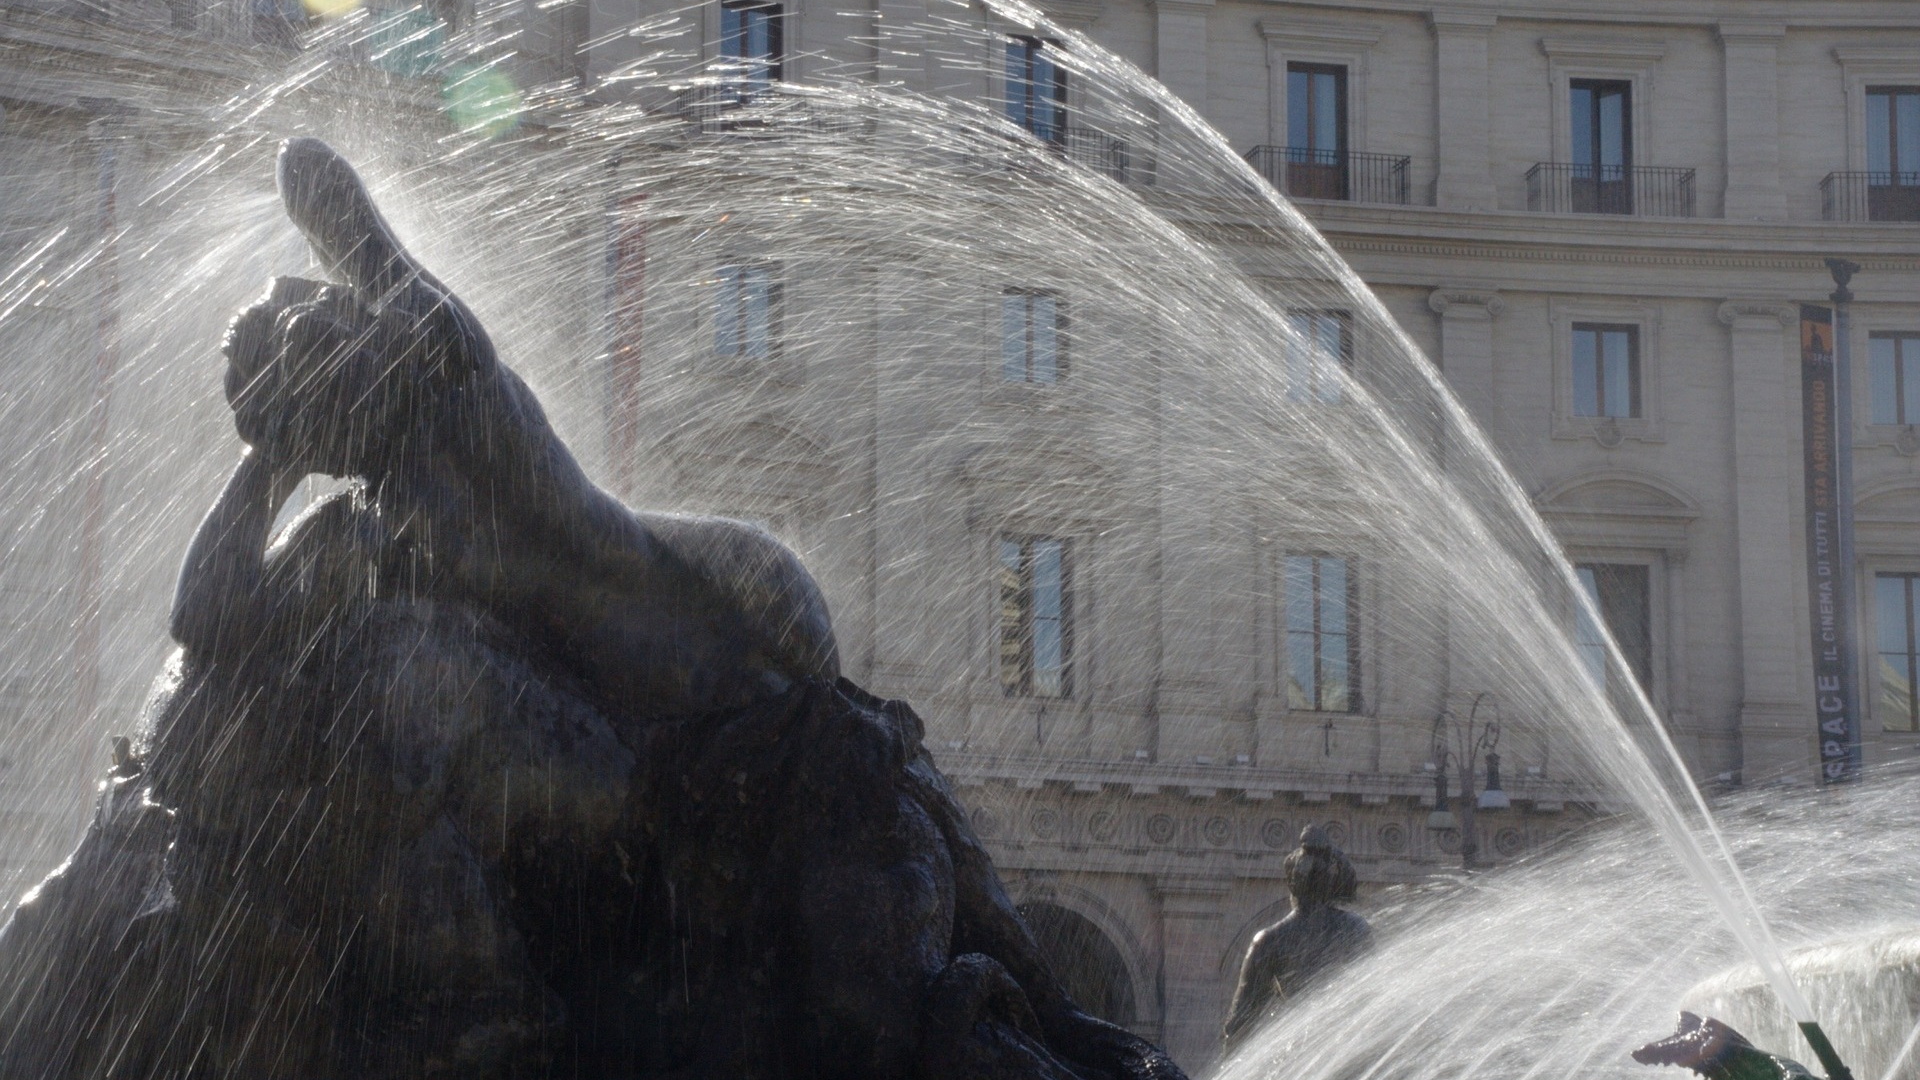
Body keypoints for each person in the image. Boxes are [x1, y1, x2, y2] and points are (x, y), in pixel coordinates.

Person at [1221, 825, 1374, 1052]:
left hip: (1300, 1052)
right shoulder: (1357, 930)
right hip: (1350, 1050)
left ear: (1292, 886)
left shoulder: (1270, 941)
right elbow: (1372, 999)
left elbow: (1240, 1023)